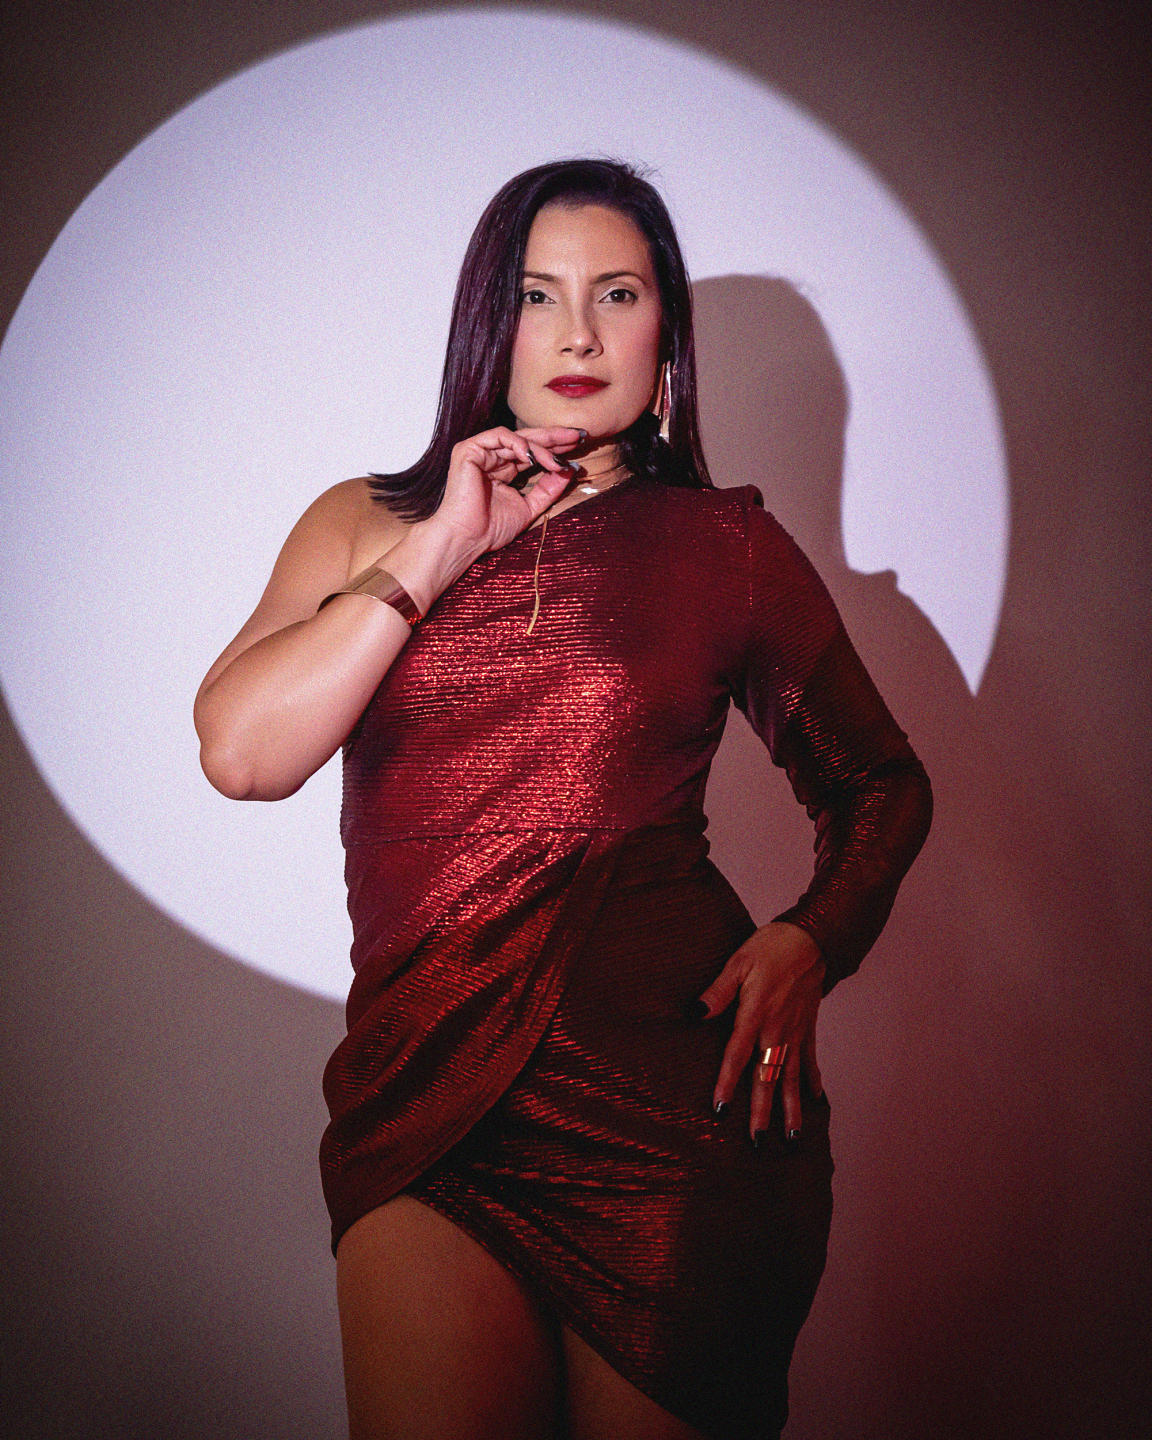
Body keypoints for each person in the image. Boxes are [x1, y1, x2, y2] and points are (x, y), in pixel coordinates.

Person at [194, 158, 932, 1440]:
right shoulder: (366, 520)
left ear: (666, 335)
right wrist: (443, 542)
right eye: (538, 295)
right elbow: (244, 754)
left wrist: (815, 937)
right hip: (423, 1098)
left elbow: (880, 783)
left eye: (618, 294)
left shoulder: (726, 547)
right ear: (490, 320)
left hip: (673, 1114)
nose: (578, 333)